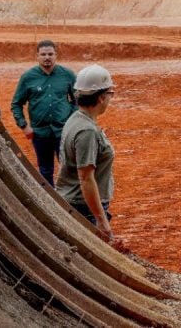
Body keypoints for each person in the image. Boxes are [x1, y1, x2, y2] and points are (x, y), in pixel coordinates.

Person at [56, 64, 116, 242]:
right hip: (84, 207)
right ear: (101, 98)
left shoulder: (76, 119)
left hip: (78, 202)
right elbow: (85, 178)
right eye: (110, 94)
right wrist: (101, 220)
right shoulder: (87, 131)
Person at [11, 40, 76, 186]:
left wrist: (71, 119)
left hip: (63, 132)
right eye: (43, 54)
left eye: (50, 54)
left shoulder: (67, 75)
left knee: (69, 168)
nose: (47, 57)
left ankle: (70, 201)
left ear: (56, 55)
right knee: (45, 170)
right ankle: (51, 201)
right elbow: (16, 104)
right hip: (40, 133)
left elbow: (78, 100)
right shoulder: (28, 78)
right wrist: (24, 126)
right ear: (37, 56)